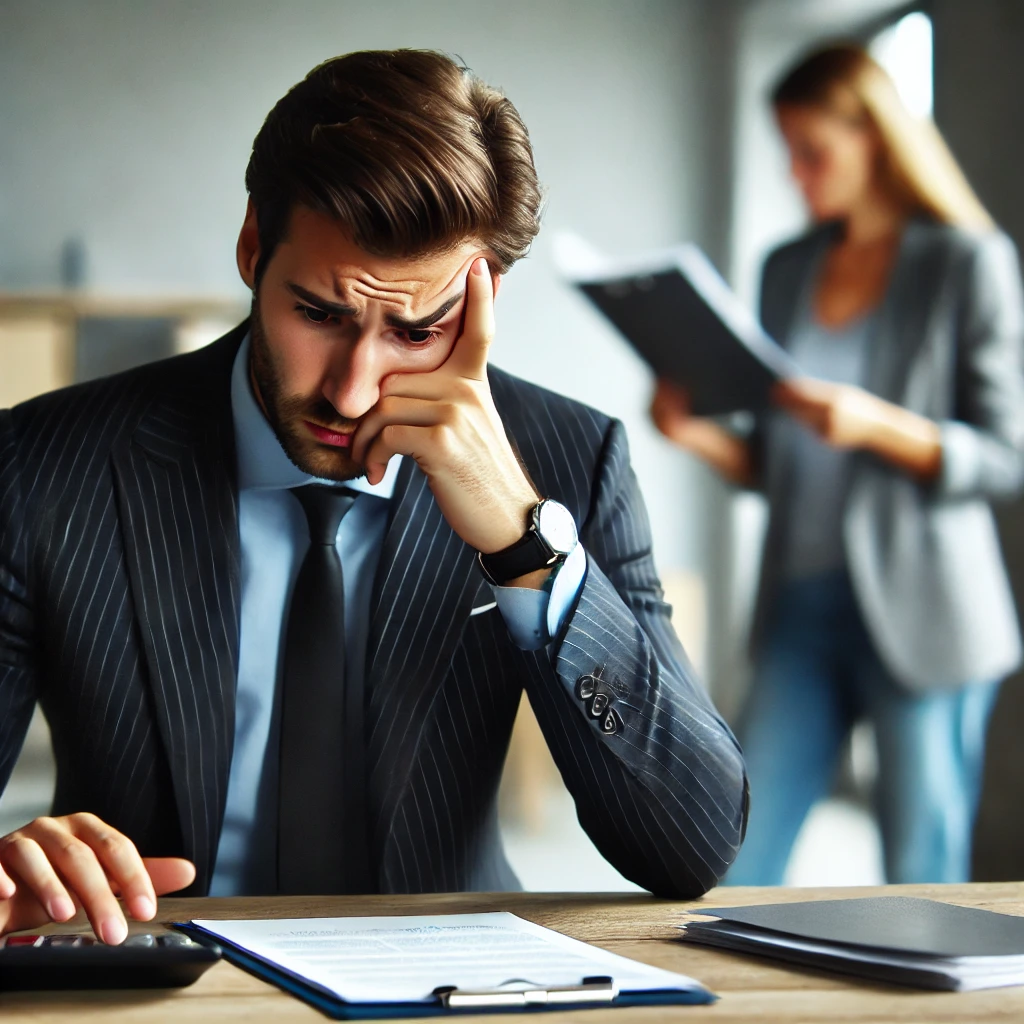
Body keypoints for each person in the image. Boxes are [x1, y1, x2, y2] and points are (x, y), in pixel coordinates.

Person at [0, 49, 748, 944]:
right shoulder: (41, 465)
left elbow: (693, 848)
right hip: (157, 985)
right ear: (251, 249)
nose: (354, 392)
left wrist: (524, 545)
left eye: (415, 329)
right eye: (318, 313)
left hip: (448, 986)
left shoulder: (570, 462)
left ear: (482, 300)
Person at [651, 44, 1024, 885]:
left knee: (923, 876)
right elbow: (775, 468)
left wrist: (878, 426)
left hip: (928, 611)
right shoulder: (787, 269)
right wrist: (695, 434)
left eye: (812, 150)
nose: (796, 172)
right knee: (732, 857)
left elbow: (1005, 456)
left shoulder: (965, 263)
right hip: (802, 606)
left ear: (877, 137)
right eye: (786, 150)